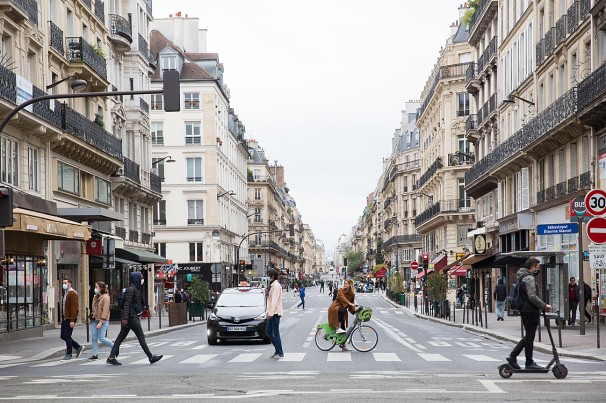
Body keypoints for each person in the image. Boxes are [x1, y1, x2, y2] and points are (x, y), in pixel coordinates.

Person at [107, 272, 163, 366]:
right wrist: (125, 318)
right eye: (140, 277)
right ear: (136, 278)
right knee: (141, 337)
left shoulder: (134, 289)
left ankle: (111, 357)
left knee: (120, 337)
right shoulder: (131, 290)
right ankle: (150, 357)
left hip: (129, 318)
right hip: (131, 318)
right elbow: (127, 304)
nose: (142, 279)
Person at [506, 258, 552, 370]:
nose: (538, 269)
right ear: (532, 267)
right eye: (538, 267)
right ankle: (525, 361)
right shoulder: (529, 278)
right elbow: (532, 296)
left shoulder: (521, 277)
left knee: (529, 336)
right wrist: (544, 305)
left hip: (524, 310)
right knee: (529, 337)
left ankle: (519, 358)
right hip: (530, 310)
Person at [328, 278, 357, 351]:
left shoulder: (352, 294)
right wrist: (349, 303)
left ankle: (343, 345)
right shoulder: (340, 290)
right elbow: (342, 298)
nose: (344, 284)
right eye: (344, 283)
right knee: (343, 310)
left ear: (350, 285)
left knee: (344, 329)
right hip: (335, 307)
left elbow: (352, 303)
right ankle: (338, 328)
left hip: (342, 310)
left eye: (346, 283)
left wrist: (355, 311)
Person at [60, 278, 84, 360]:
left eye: (65, 282)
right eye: (63, 282)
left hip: (70, 318)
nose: (64, 284)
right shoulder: (66, 293)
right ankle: (78, 347)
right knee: (63, 336)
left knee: (67, 335)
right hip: (65, 317)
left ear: (70, 283)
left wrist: (72, 320)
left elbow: (74, 308)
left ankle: (69, 354)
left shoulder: (72, 293)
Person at [89, 281, 113, 360]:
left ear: (101, 288)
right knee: (94, 338)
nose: (95, 289)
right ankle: (95, 354)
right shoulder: (95, 297)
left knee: (102, 338)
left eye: (97, 287)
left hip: (103, 320)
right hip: (95, 320)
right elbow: (94, 308)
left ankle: (114, 347)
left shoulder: (106, 297)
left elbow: (105, 311)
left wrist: (101, 322)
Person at [266, 269, 284, 359]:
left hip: (275, 313)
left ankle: (279, 352)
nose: (268, 277)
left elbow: (274, 301)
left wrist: (271, 313)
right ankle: (278, 350)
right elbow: (269, 300)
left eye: (269, 275)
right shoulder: (272, 286)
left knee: (275, 333)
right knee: (268, 331)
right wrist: (268, 312)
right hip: (272, 312)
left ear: (273, 276)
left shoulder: (276, 286)